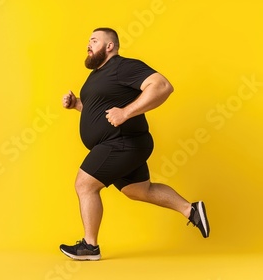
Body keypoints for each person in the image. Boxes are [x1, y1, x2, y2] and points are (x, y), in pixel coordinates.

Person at [59, 27, 210, 261]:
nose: (88, 44)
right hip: (119, 143)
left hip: (123, 142)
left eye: (94, 40)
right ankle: (191, 210)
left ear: (110, 46)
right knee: (140, 191)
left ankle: (90, 246)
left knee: (85, 185)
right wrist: (77, 104)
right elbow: (98, 111)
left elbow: (162, 86)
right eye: (88, 40)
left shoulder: (122, 66)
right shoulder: (96, 76)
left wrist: (126, 112)